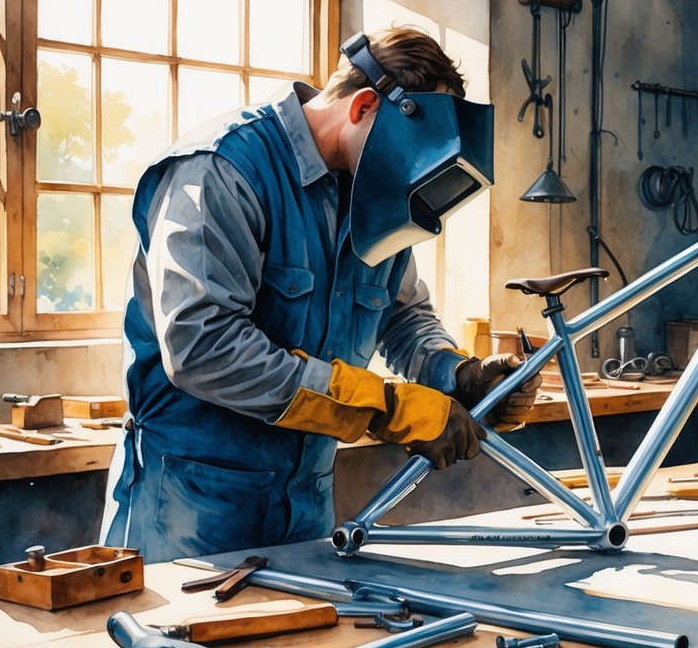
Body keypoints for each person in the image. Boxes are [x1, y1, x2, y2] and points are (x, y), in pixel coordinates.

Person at [100, 27, 540, 563]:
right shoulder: (222, 170)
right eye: (408, 158)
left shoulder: (370, 197)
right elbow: (203, 348)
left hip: (304, 504)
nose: (409, 177)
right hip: (191, 510)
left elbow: (402, 317)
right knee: (176, 647)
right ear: (363, 107)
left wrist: (456, 374)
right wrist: (384, 406)